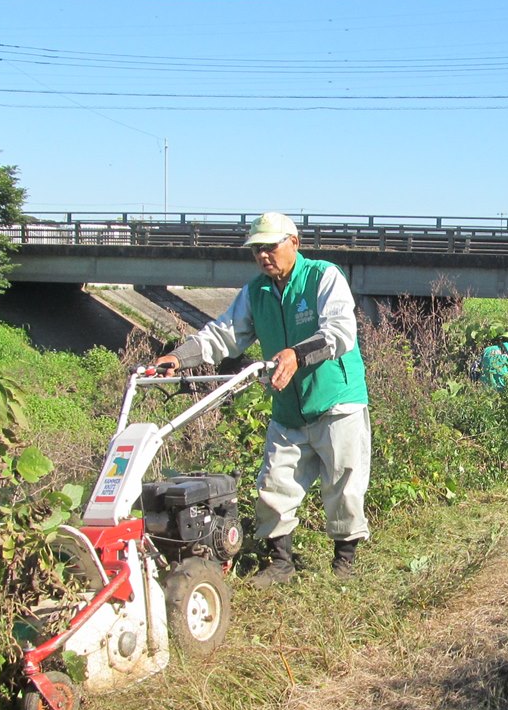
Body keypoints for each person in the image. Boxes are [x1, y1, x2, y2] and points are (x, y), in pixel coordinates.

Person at [154, 212, 370, 583]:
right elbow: (223, 335)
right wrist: (180, 356)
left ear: (294, 243)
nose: (264, 256)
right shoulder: (257, 292)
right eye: (257, 250)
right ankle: (281, 561)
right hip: (288, 405)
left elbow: (340, 331)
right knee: (273, 482)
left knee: (343, 483)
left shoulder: (323, 276)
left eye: (271, 246)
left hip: (337, 399)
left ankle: (344, 562)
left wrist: (297, 354)